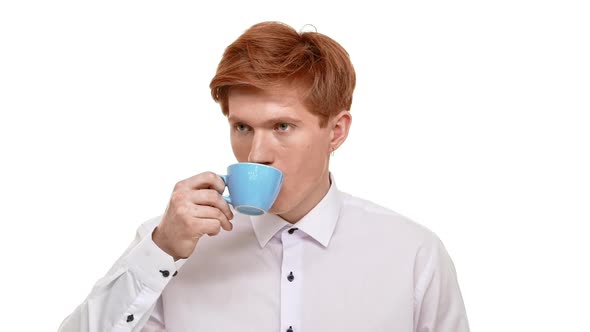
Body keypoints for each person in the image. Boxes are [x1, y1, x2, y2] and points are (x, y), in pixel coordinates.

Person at [58, 21, 470, 332]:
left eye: (282, 127)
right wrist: (160, 251)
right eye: (242, 128)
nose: (256, 154)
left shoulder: (414, 255)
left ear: (336, 131)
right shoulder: (173, 247)